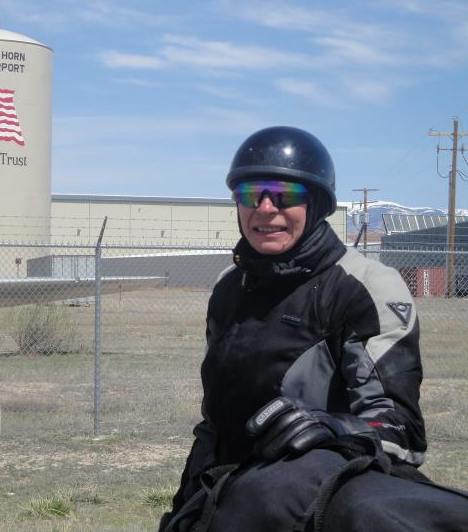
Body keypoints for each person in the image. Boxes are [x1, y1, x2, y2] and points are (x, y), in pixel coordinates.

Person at [159, 126, 468, 532]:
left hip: (309, 503)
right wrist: (187, 505)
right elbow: (216, 420)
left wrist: (336, 428)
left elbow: (402, 430)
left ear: (317, 203)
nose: (266, 209)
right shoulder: (229, 287)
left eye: (285, 195)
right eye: (251, 194)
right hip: (228, 497)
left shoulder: (363, 287)